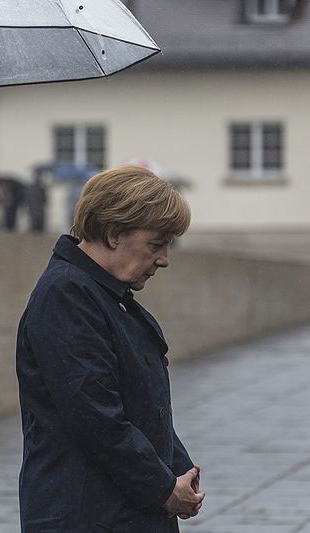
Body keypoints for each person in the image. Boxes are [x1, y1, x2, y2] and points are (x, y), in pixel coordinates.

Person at [16, 165, 204, 532]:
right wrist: (164, 489)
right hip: (88, 515)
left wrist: (181, 470)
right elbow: (96, 416)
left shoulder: (102, 294)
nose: (164, 259)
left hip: (118, 510)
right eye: (156, 244)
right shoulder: (67, 295)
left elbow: (142, 408)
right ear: (115, 233)